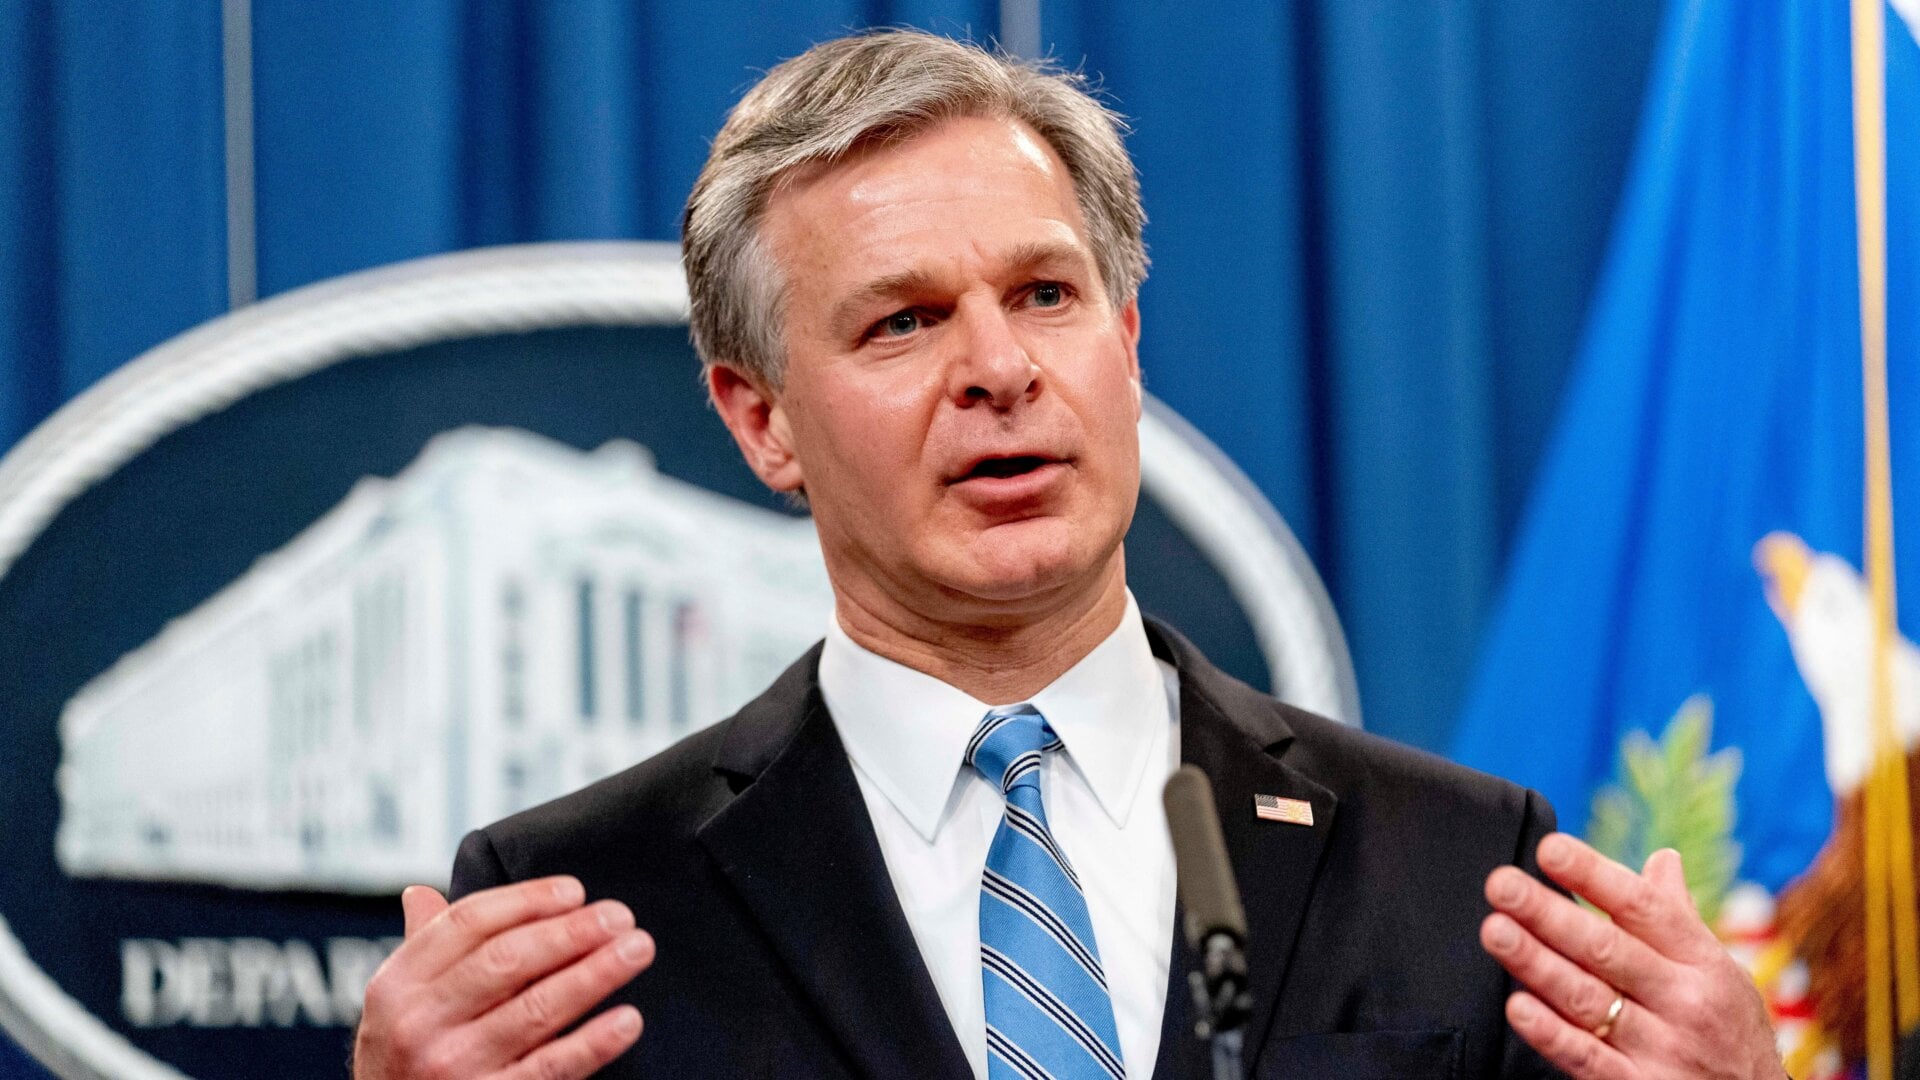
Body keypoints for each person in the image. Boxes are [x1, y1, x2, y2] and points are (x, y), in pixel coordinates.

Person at [350, 30, 1785, 1080]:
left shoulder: (1469, 872)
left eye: (1046, 294)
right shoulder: (583, 919)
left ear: (1128, 343)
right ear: (762, 419)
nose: (998, 369)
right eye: (901, 321)